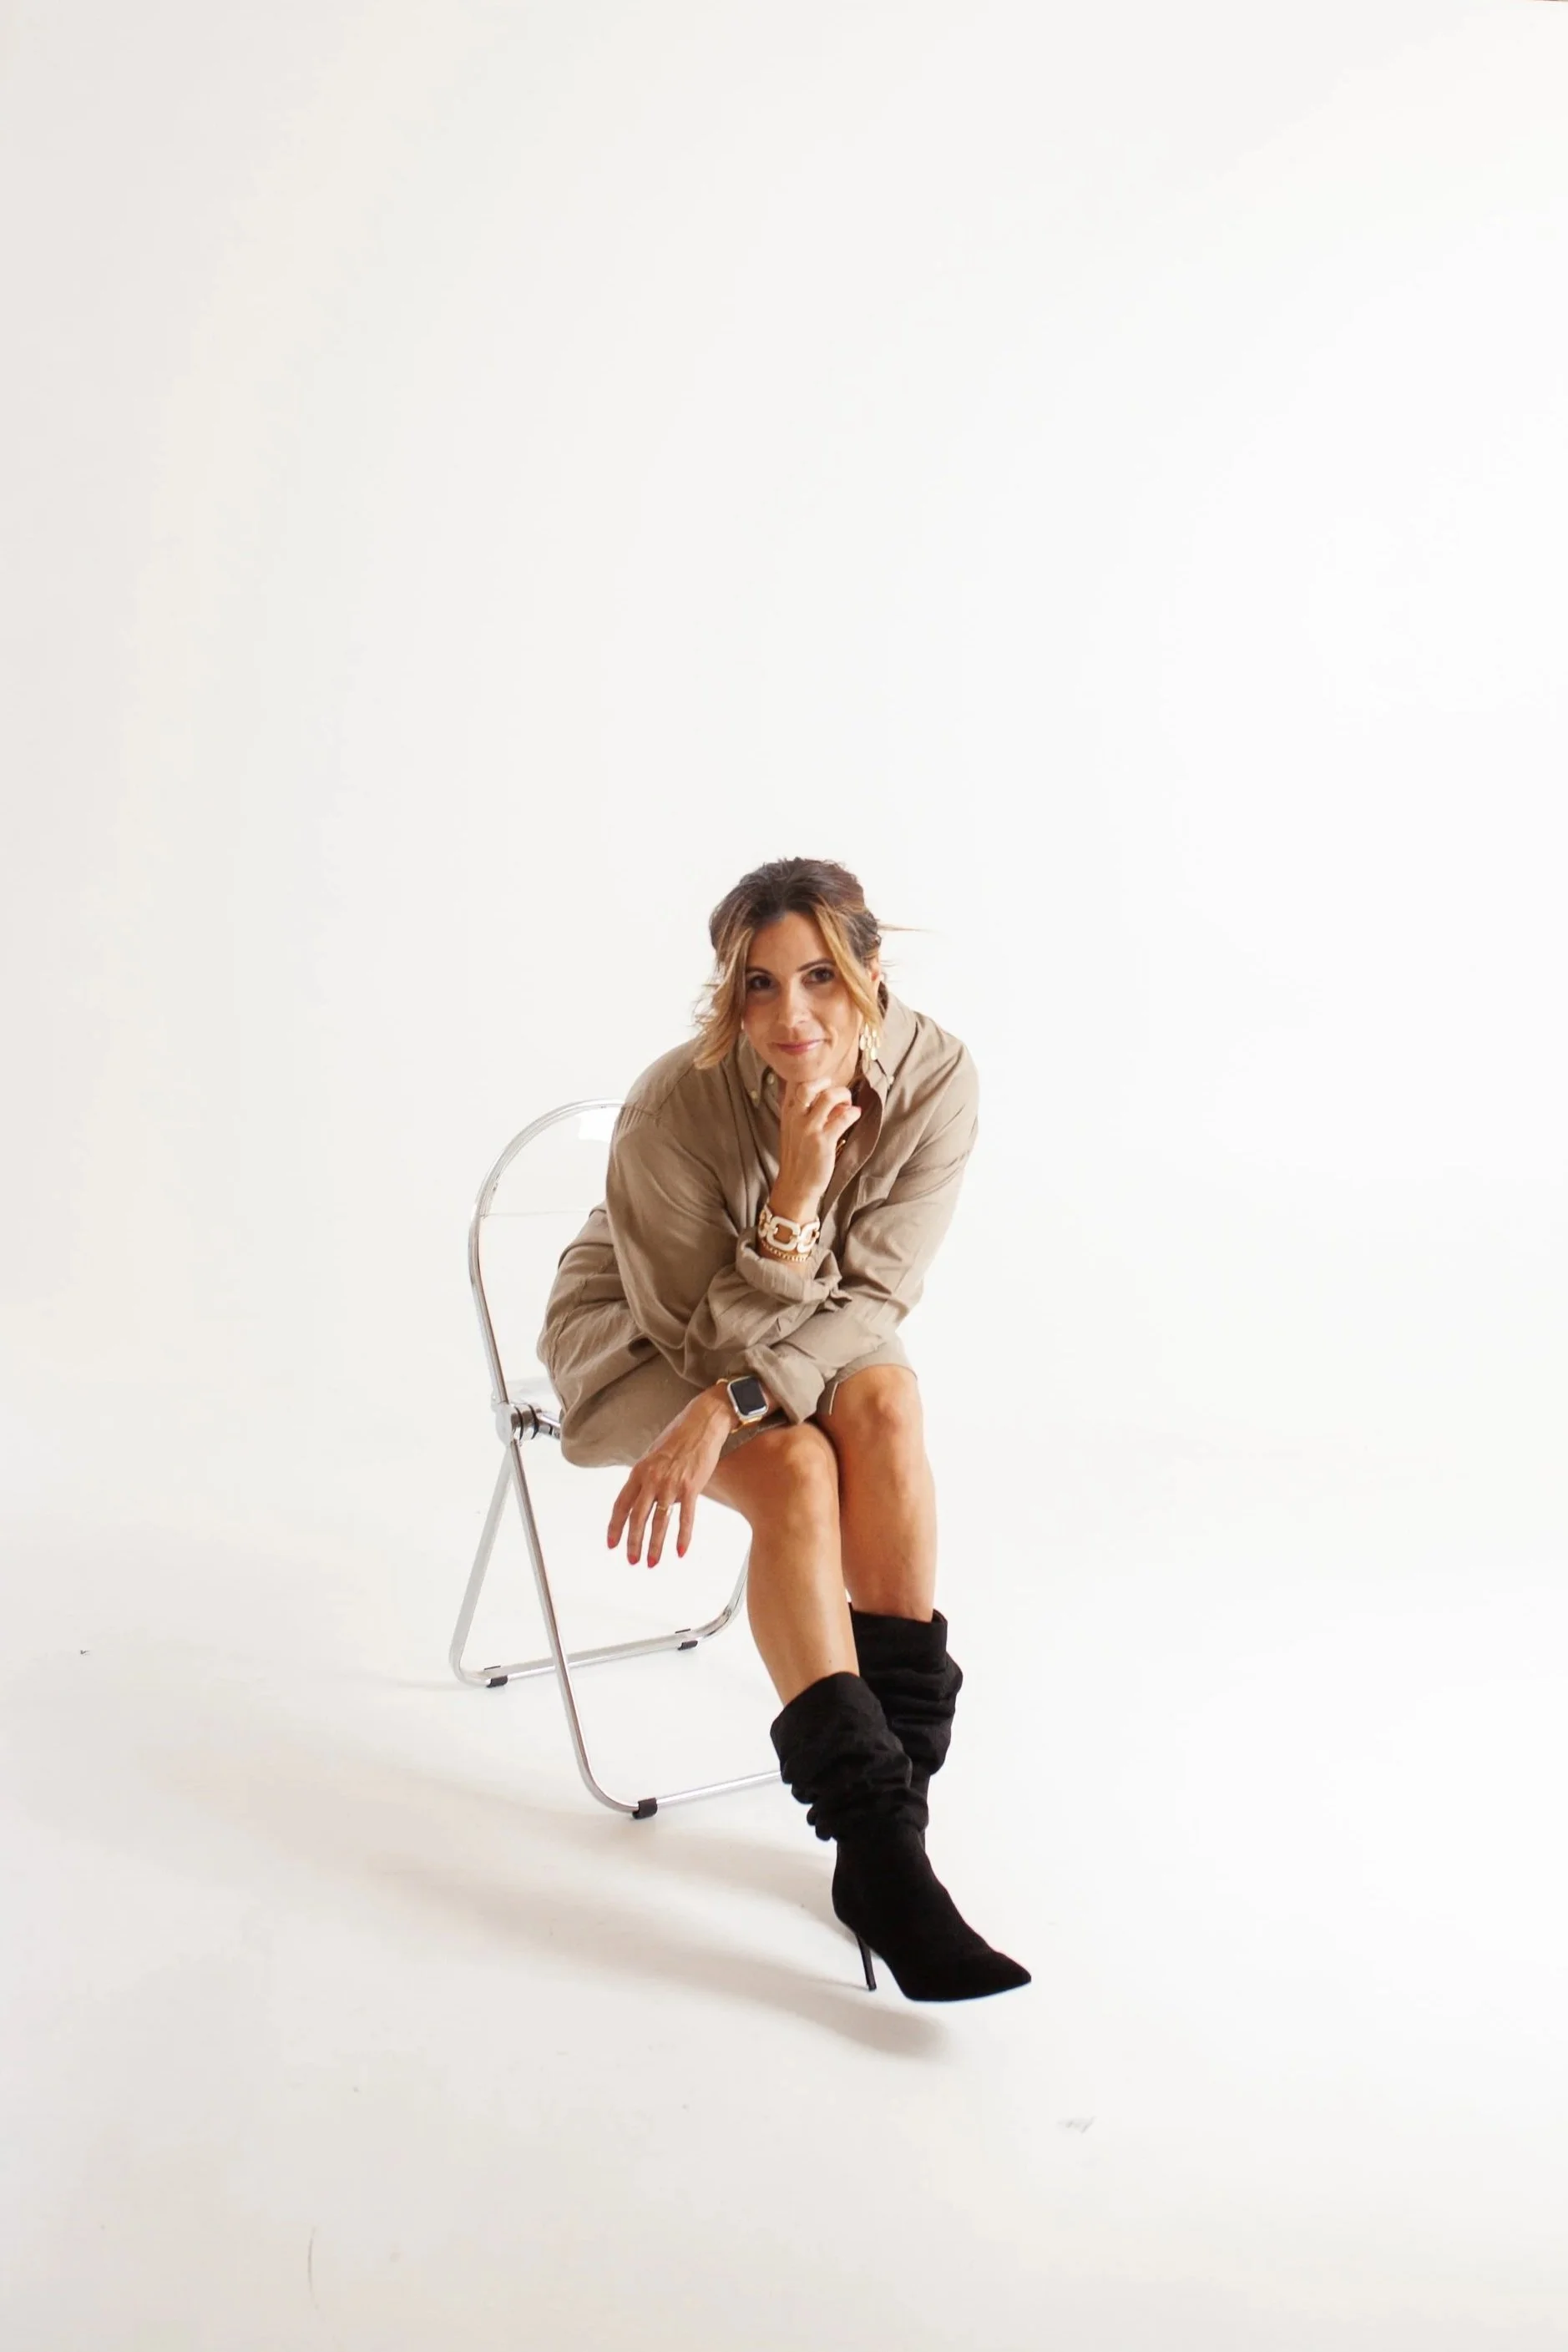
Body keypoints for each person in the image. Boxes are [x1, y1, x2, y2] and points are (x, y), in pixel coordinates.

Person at [539, 857, 1029, 2003]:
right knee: (799, 1470)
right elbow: (698, 1346)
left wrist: (741, 1398)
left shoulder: (935, 1076)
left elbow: (880, 1296)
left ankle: (885, 1842)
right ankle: (879, 1842)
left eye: (817, 975)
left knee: (887, 1398)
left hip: (801, 1329)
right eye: (755, 986)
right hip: (641, 1338)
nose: (789, 1016)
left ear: (868, 966)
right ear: (728, 996)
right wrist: (795, 1199)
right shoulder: (676, 1105)